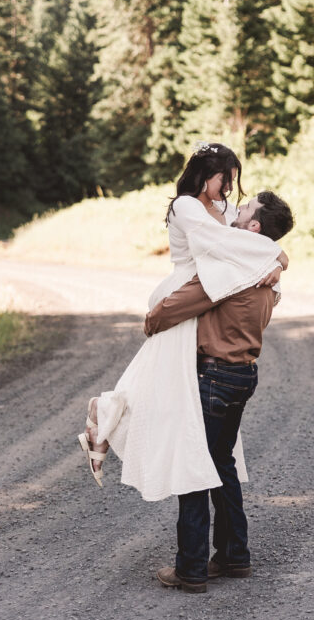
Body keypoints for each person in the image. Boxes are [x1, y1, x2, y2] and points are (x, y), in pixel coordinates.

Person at [78, 143, 289, 503]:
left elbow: (247, 238)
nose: (229, 189)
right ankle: (108, 417)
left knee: (166, 392)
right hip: (189, 291)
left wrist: (275, 261)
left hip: (214, 288)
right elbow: (221, 240)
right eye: (226, 179)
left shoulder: (222, 207)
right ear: (207, 174)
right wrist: (278, 255)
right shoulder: (186, 205)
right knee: (167, 394)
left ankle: (105, 415)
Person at [142, 191, 295, 593]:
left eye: (244, 211)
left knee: (193, 466)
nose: (235, 212)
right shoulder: (264, 270)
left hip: (212, 377)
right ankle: (233, 555)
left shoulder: (232, 271)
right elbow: (275, 258)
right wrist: (281, 260)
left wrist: (152, 319)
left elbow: (174, 308)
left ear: (254, 228)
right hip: (243, 375)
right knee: (221, 464)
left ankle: (191, 568)